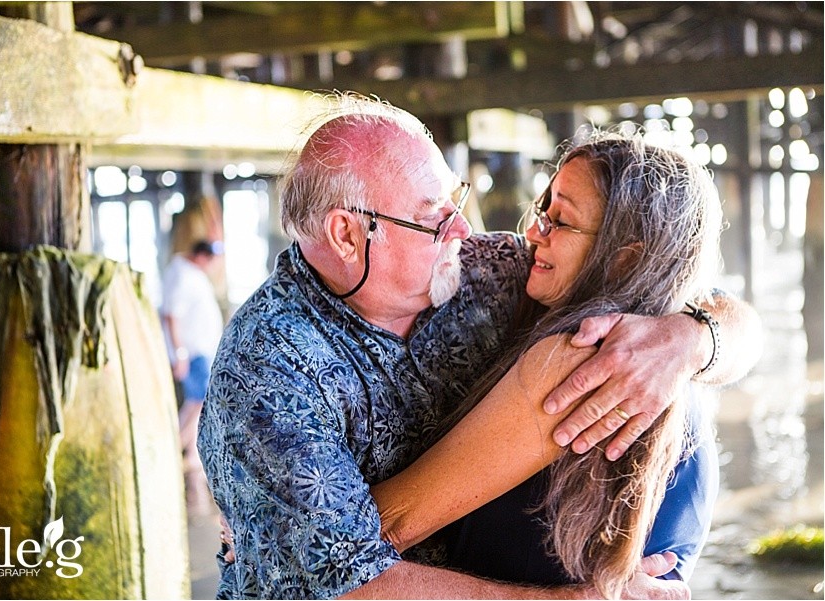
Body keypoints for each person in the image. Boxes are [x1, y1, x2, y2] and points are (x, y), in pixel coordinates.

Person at [197, 93, 762, 599]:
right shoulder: (267, 372)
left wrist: (692, 340)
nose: (464, 231)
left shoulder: (489, 273)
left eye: (456, 200)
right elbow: (352, 584)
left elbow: (693, 294)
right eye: (432, 218)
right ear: (348, 234)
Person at [369, 129, 740, 599]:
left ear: (627, 256)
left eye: (559, 221)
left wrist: (271, 513)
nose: (532, 232)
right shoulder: (673, 357)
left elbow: (387, 526)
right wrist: (701, 336)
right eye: (542, 209)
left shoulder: (583, 364)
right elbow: (726, 307)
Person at [161, 239, 224, 515]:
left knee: (198, 403)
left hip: (201, 351)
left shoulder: (190, 272)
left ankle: (181, 451)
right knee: (198, 403)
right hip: (194, 353)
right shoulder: (183, 274)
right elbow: (171, 315)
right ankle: (177, 451)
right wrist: (180, 353)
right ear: (202, 256)